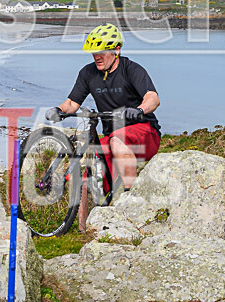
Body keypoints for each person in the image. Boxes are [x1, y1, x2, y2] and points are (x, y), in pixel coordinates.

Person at [45, 23, 160, 191]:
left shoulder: (132, 70)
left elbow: (153, 98)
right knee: (88, 179)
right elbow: (72, 103)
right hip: (112, 137)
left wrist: (139, 110)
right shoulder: (87, 73)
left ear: (116, 50)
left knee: (117, 140)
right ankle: (87, 208)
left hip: (145, 132)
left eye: (102, 52)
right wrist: (59, 110)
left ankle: (130, 197)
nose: (97, 57)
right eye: (94, 52)